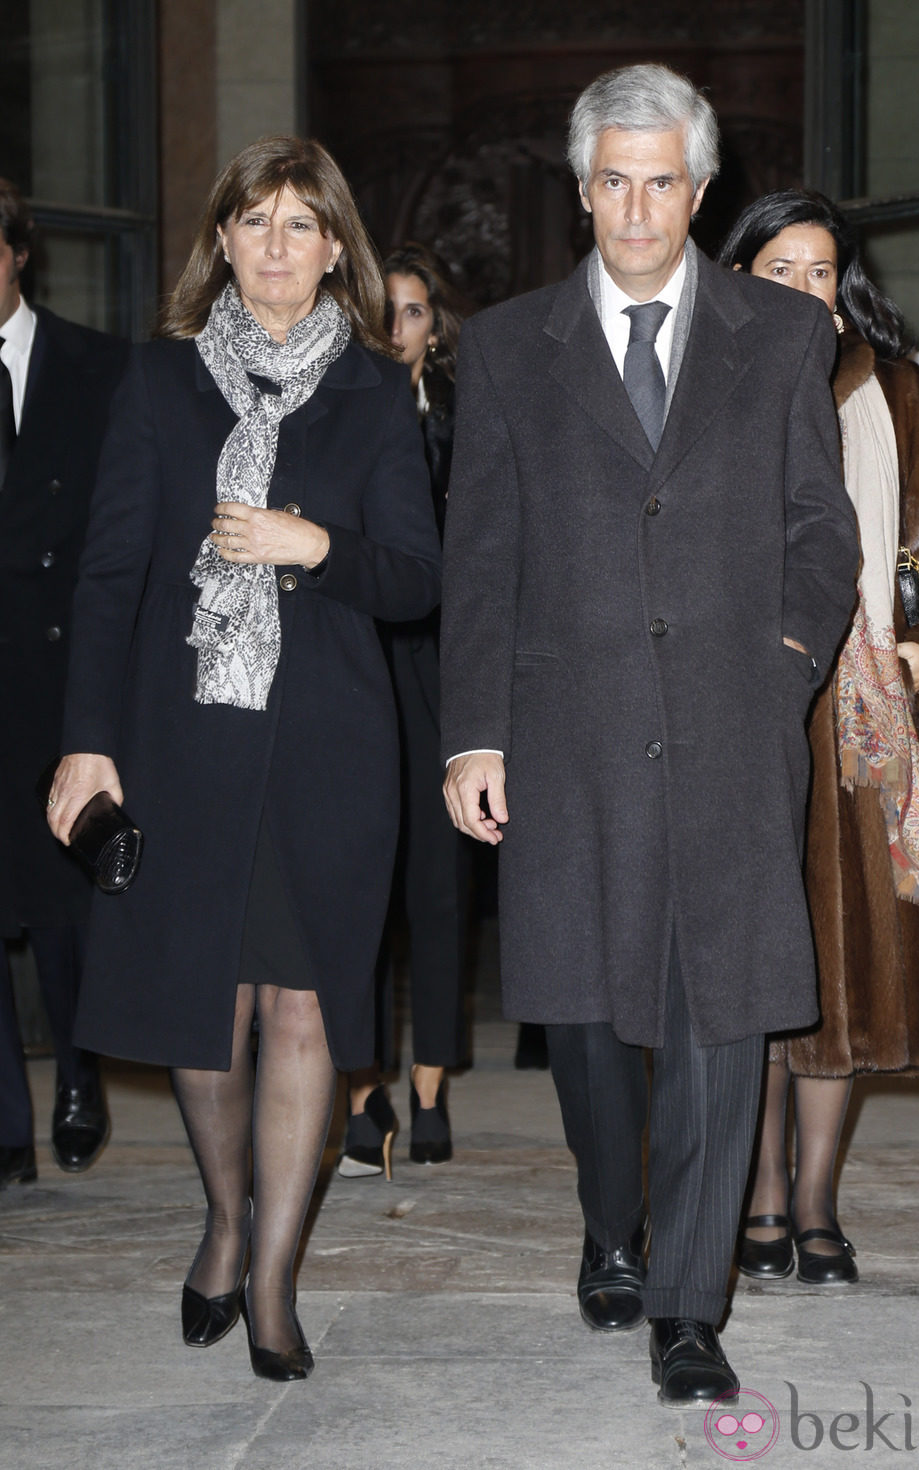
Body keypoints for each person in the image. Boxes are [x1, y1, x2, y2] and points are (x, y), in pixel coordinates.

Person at [440, 63, 858, 1407]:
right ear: (582, 192)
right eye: (610, 181)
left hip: (737, 727)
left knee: (716, 1014)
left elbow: (821, 533)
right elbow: (481, 559)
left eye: (660, 179)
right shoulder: (508, 348)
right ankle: (610, 1219)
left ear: (699, 187)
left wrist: (789, 658)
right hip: (569, 735)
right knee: (583, 1020)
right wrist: (473, 736)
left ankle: (688, 1299)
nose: (635, 206)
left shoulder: (785, 337)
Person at [45, 136, 441, 1381]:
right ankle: (224, 1218)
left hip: (328, 747)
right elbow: (108, 577)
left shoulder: (378, 390)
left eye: (302, 226)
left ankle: (271, 1279)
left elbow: (418, 579)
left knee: (306, 1002)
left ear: (337, 249)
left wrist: (309, 542)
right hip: (180, 740)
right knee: (204, 1013)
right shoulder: (158, 385)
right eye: (255, 223)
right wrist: (84, 744)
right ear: (221, 240)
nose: (277, 246)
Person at [717, 188, 919, 1286]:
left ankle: (812, 1203)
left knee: (845, 975)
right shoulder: (696, 387)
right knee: (752, 970)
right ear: (736, 279)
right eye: (777, 267)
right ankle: (756, 1197)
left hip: (867, 719)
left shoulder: (900, 393)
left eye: (818, 270)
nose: (800, 288)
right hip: (734, 713)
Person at [0, 179, 125, 1189]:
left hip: (59, 668)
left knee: (63, 899)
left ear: (16, 253)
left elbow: (122, 539)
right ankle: (4, 1124)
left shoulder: (97, 366)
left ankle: (79, 1072)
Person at [339, 243, 469, 1176]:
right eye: (383, 308)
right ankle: (356, 1089)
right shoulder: (335, 415)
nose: (396, 326)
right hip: (352, 664)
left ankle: (429, 1087)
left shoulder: (466, 421)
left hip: (443, 672)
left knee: (439, 886)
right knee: (353, 887)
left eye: (413, 310)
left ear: (436, 326)